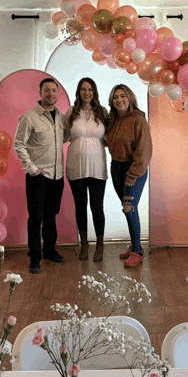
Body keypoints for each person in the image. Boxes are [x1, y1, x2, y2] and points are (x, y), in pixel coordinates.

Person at [14, 78, 66, 274]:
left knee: (52, 215)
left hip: (57, 175)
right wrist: (31, 168)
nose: (51, 94)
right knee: (36, 218)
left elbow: (65, 137)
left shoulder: (61, 117)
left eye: (54, 91)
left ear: (58, 94)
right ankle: (35, 258)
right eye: (47, 90)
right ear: (40, 93)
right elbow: (19, 144)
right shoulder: (29, 117)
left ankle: (50, 251)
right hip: (38, 176)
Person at [106, 84, 152, 268]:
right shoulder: (113, 120)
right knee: (127, 207)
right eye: (115, 97)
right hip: (116, 167)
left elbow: (144, 150)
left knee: (129, 207)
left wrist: (133, 174)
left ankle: (136, 253)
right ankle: (136, 246)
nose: (119, 100)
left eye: (123, 96)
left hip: (133, 168)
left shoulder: (138, 119)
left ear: (129, 98)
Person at [65, 77, 108, 262]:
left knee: (97, 206)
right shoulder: (71, 112)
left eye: (90, 89)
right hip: (76, 165)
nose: (87, 92)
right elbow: (64, 137)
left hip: (98, 166)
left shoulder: (102, 112)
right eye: (83, 89)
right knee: (80, 206)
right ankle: (84, 243)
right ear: (78, 92)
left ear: (94, 92)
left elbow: (109, 139)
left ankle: (100, 243)